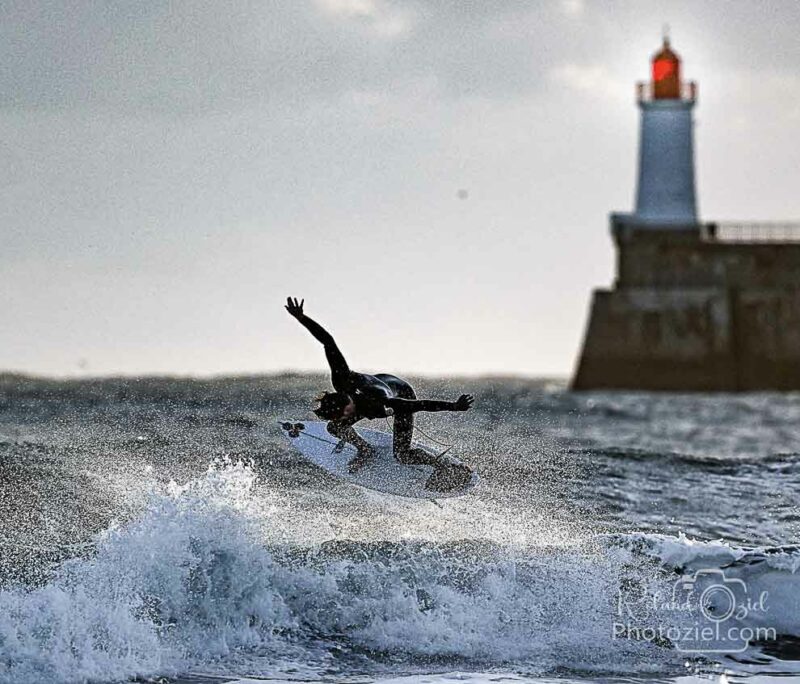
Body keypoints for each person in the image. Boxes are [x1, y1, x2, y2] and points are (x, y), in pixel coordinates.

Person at [284, 297, 474, 492]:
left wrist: (454, 406)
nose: (343, 419)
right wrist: (302, 318)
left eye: (343, 415)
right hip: (375, 384)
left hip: (401, 393)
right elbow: (328, 342)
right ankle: (365, 450)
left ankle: (444, 468)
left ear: (347, 408)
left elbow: (420, 405)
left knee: (402, 455)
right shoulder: (342, 380)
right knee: (335, 428)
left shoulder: (381, 404)